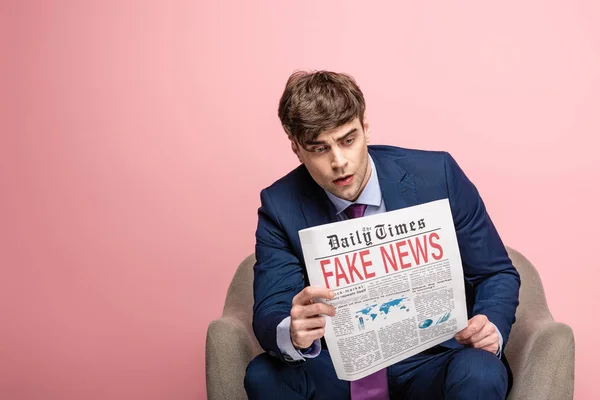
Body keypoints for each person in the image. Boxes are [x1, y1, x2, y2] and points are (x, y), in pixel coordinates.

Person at [244, 70, 520, 400]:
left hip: (433, 360)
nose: (339, 162)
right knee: (264, 374)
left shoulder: (438, 175)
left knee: (481, 370)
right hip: (340, 370)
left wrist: (490, 325)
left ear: (365, 127)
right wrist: (293, 329)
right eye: (319, 148)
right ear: (296, 149)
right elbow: (270, 307)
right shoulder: (279, 205)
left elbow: (496, 272)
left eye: (348, 140)